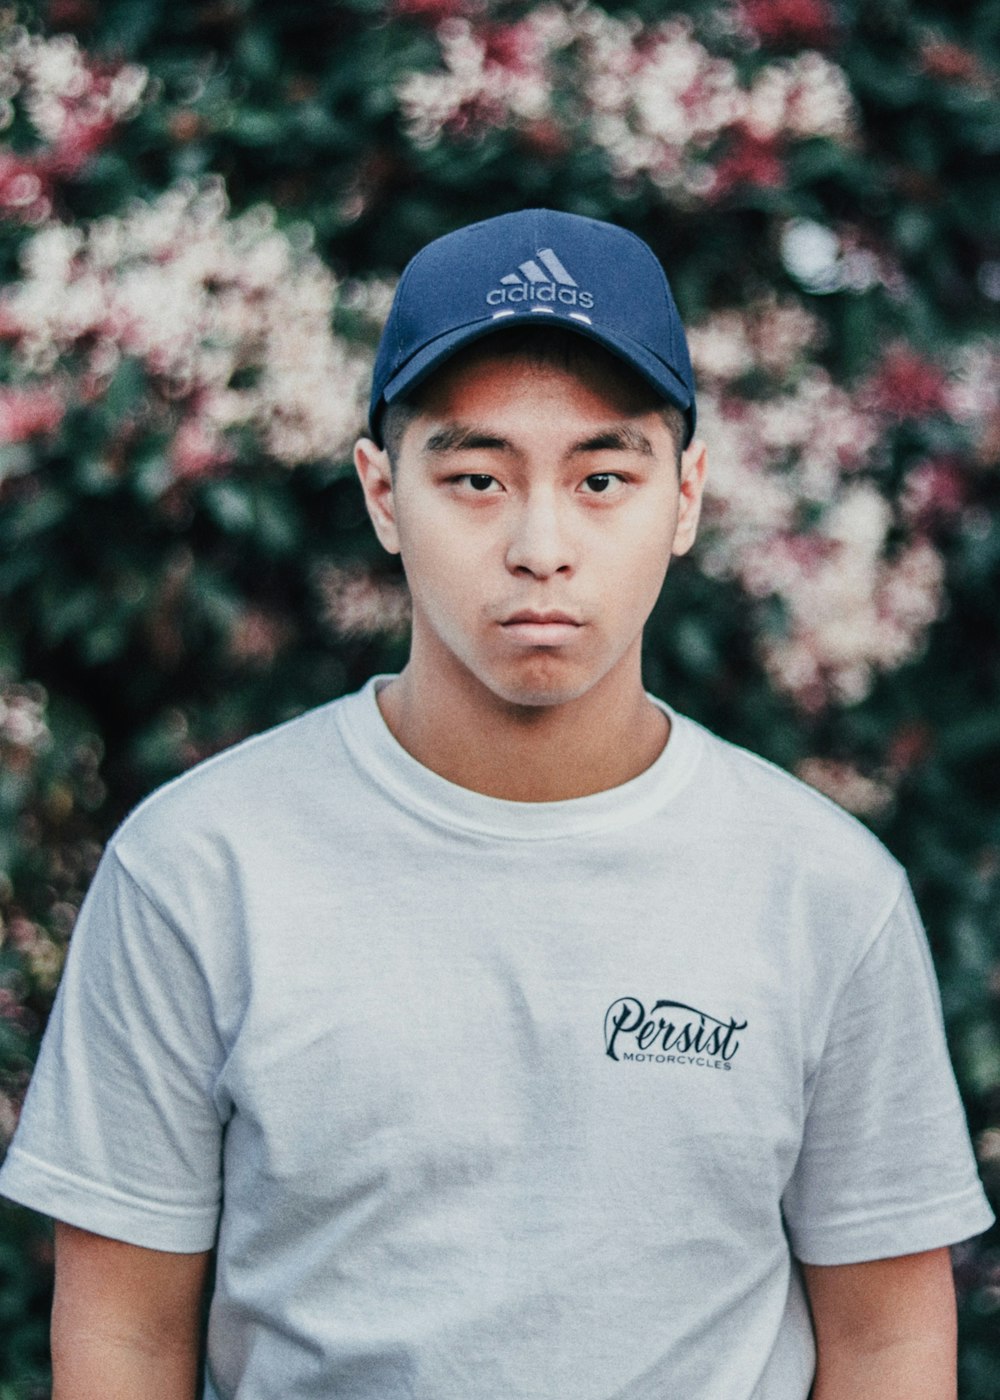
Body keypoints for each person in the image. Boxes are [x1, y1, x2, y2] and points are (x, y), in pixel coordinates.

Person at [0, 208, 992, 1400]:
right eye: (475, 477)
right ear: (381, 493)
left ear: (683, 497)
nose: (540, 543)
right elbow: (123, 1338)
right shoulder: (200, 867)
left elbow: (888, 1338)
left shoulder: (823, 891)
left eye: (602, 477)